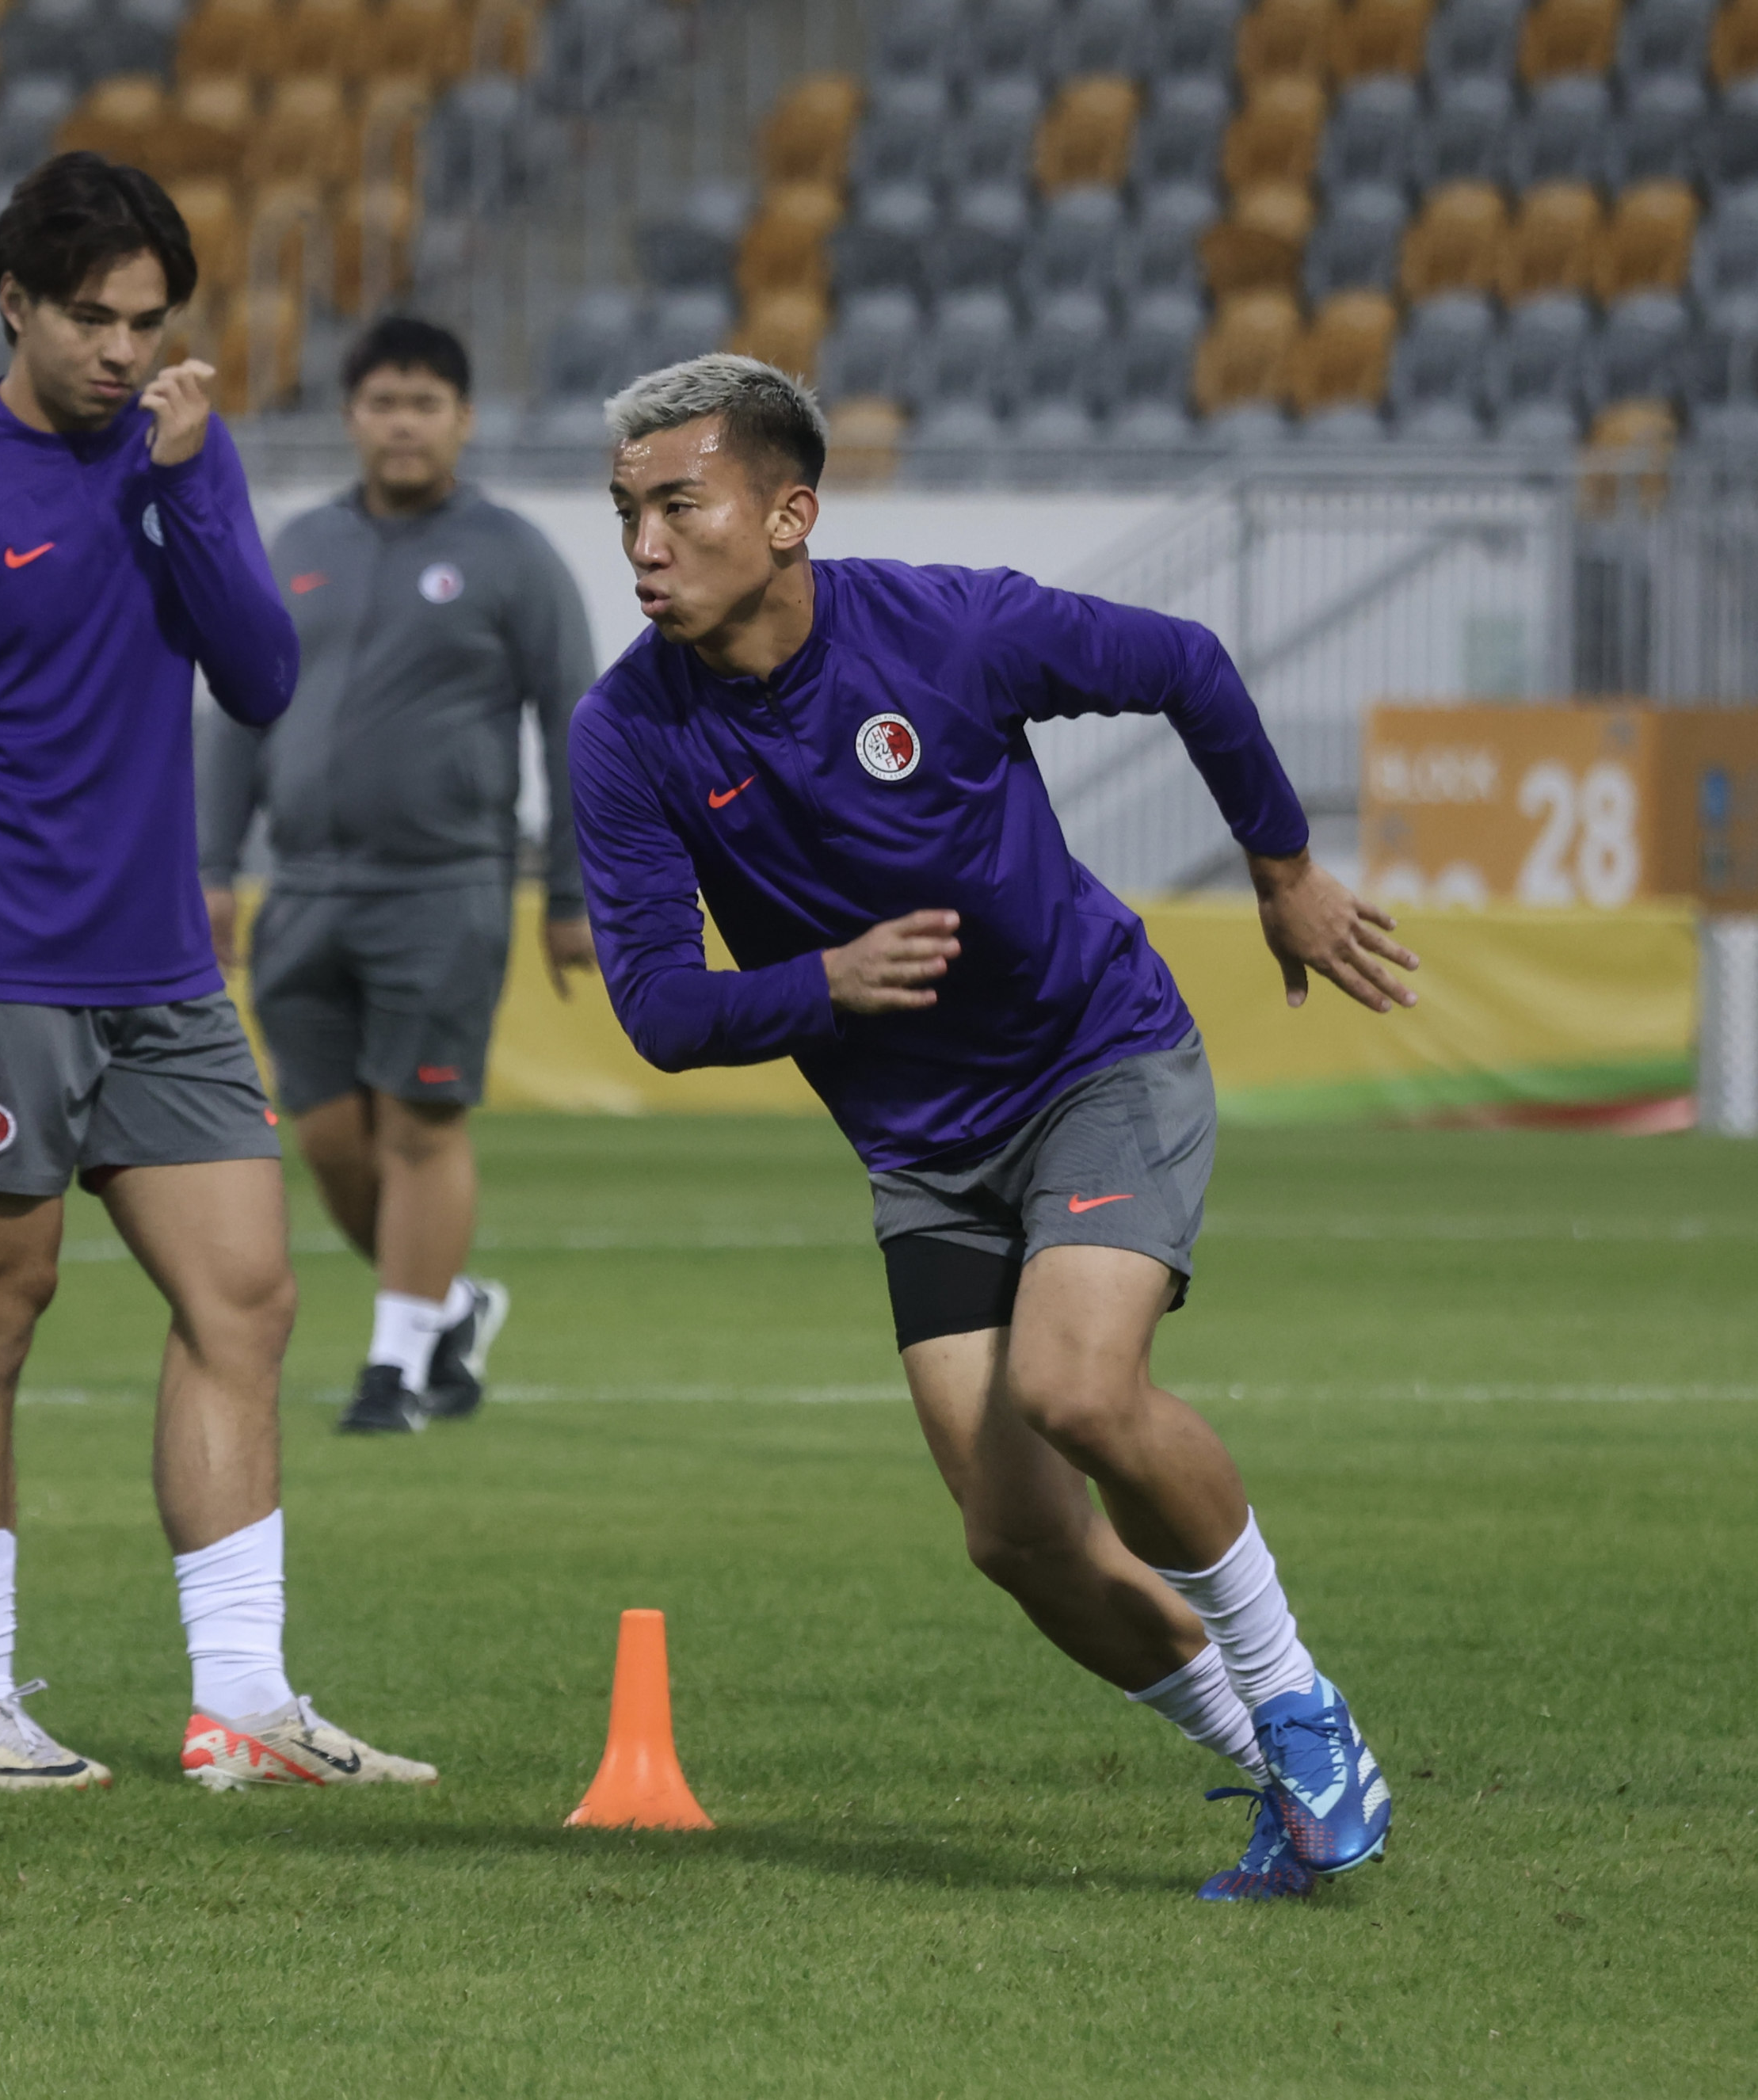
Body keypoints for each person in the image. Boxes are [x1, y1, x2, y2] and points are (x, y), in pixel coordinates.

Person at [568, 354, 1411, 1899]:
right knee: (1014, 1541)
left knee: (1079, 1392)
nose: (641, 544)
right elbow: (656, 1012)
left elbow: (1186, 663)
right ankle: (1283, 1776)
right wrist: (819, 985)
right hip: (920, 1152)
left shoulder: (945, 629)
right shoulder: (625, 734)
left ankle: (1296, 1696)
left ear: (786, 513)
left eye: (677, 505)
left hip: (1095, 1062)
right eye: (624, 511)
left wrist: (1283, 868)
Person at [0, 152, 433, 1793]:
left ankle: (238, 1701)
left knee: (246, 1296)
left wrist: (177, 486)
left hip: (161, 969)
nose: (119, 350)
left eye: (147, 321)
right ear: (13, 304)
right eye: (89, 318)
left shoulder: (182, 454)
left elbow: (257, 674)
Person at [196, 315, 600, 1435]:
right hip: (305, 887)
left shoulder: (515, 556)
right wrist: (212, 864)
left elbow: (579, 724)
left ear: (462, 420)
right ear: (352, 417)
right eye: (384, 402)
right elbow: (234, 709)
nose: (404, 423)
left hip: (445, 887)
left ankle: (395, 1367)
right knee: (326, 1136)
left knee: (421, 1124)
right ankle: (448, 1307)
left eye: (426, 403)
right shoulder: (296, 546)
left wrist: (573, 893)